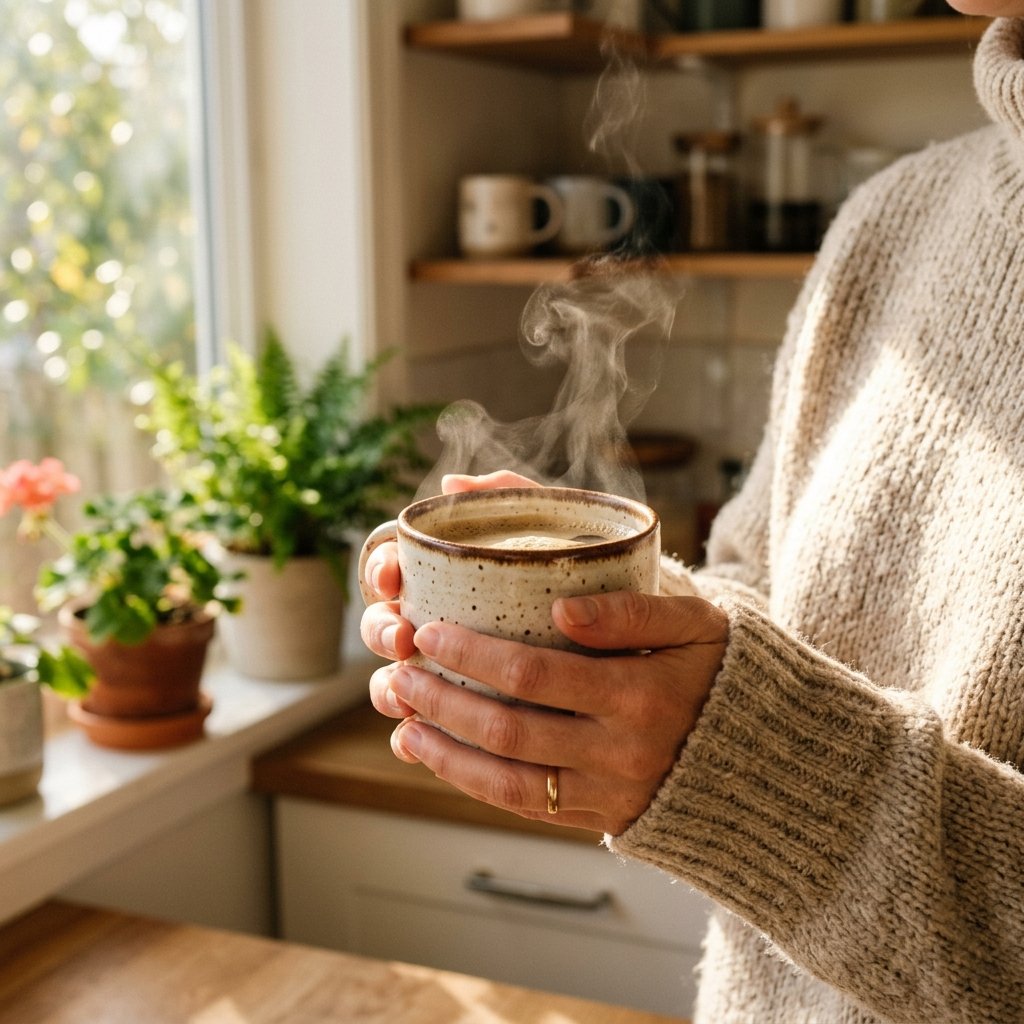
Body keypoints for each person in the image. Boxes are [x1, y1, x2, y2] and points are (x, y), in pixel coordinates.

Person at [360, 8, 1024, 1022]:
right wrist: (618, 633)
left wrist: (743, 763)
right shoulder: (892, 222)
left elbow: (762, 736)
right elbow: (762, 602)